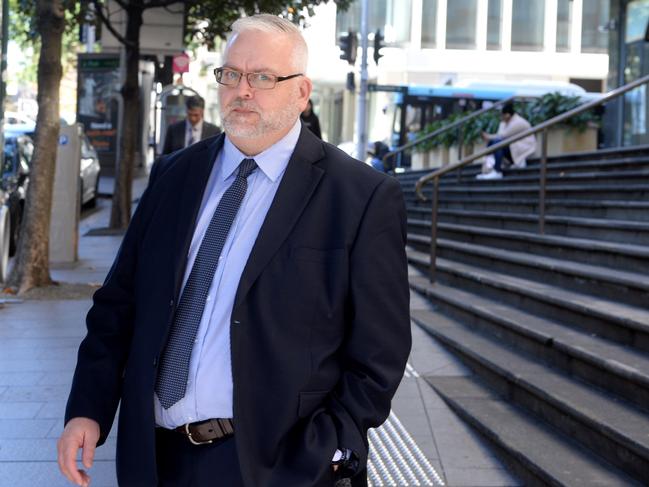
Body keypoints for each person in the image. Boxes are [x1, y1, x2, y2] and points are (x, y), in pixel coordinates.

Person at [58, 13, 410, 487]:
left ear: (301, 93)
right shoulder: (173, 176)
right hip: (157, 459)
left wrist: (328, 446)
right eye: (231, 74)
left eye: (263, 77)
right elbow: (118, 306)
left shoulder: (359, 197)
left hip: (276, 465)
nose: (242, 90)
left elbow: (380, 352)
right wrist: (87, 410)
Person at [477, 102, 536, 180]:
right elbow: (499, 136)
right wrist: (490, 138)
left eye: (501, 115)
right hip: (512, 148)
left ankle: (497, 171)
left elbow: (503, 136)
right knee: (492, 143)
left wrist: (488, 136)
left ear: (507, 115)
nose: (500, 117)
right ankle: (488, 170)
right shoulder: (503, 123)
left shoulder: (519, 122)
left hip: (522, 151)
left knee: (497, 143)